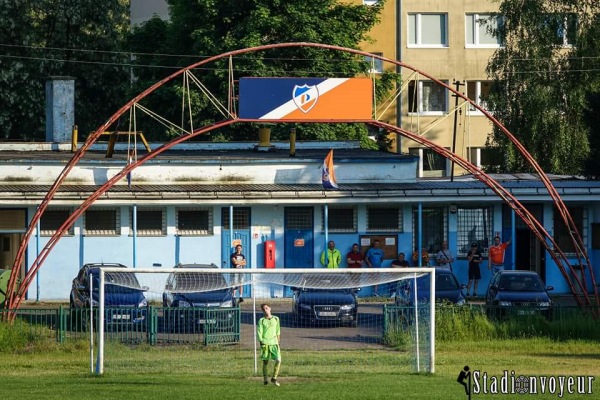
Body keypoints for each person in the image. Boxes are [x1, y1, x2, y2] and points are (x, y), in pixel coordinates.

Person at [257, 303, 281, 386]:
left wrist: (278, 341)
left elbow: (278, 331)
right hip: (265, 344)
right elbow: (259, 332)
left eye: (266, 308)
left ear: (270, 308)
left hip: (274, 343)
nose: (265, 310)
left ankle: (274, 378)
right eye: (263, 309)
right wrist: (261, 341)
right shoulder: (261, 320)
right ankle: (265, 379)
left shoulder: (276, 319)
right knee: (265, 362)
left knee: (278, 360)